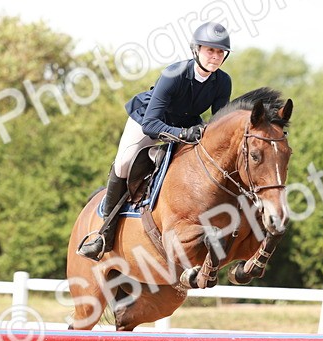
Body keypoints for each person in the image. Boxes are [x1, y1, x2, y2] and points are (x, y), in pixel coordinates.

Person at [76, 21, 233, 260]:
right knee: (124, 162)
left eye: (220, 52)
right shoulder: (174, 74)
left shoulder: (223, 82)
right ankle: (102, 233)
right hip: (147, 120)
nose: (215, 56)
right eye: (210, 50)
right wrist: (182, 135)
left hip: (186, 124)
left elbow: (218, 122)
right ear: (197, 50)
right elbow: (151, 123)